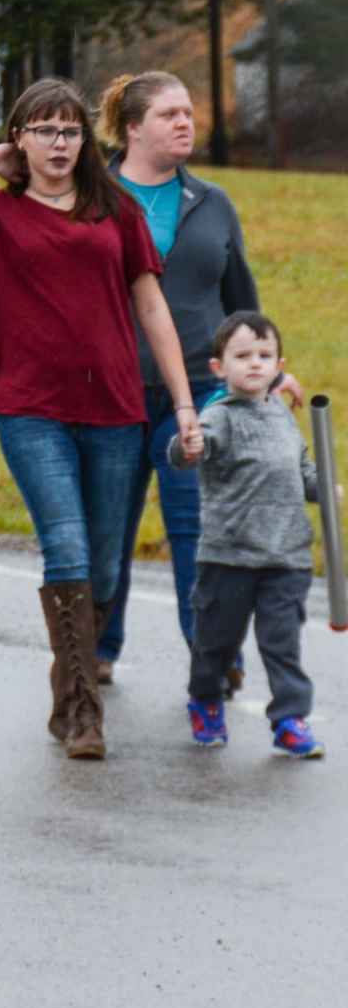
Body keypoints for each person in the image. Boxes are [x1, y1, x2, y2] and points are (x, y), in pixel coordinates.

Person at [0, 77, 201, 761]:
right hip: (30, 407)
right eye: (42, 130)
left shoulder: (115, 211)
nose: (59, 143)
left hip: (115, 407)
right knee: (64, 547)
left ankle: (69, 668)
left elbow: (151, 308)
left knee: (102, 564)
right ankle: (81, 710)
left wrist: (184, 403)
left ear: (85, 140)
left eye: (69, 130)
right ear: (21, 139)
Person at [94, 71, 302, 688]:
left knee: (199, 531)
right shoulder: (93, 195)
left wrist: (271, 372)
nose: (186, 122)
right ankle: (98, 649)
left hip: (200, 395)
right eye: (170, 114)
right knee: (111, 528)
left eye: (189, 112)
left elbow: (241, 303)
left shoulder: (213, 203)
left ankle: (214, 658)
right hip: (112, 392)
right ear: (133, 128)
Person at [169, 311, 327, 758]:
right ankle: (205, 700)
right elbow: (187, 454)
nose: (255, 364)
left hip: (286, 558)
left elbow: (301, 473)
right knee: (216, 643)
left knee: (283, 644)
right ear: (220, 367)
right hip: (229, 558)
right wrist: (188, 444)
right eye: (242, 356)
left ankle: (290, 720)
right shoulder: (219, 417)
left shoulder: (282, 416)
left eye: (264, 355)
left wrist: (325, 487)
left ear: (279, 365)